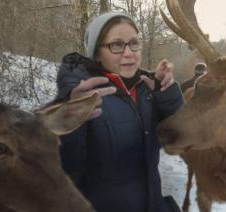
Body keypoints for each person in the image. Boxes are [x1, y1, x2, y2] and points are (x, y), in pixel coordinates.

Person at [55, 12, 183, 212]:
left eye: (134, 43)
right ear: (96, 53)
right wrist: (71, 119)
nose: (129, 53)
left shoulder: (145, 90)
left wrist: (166, 94)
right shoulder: (81, 95)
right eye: (116, 45)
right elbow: (64, 173)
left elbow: (179, 135)